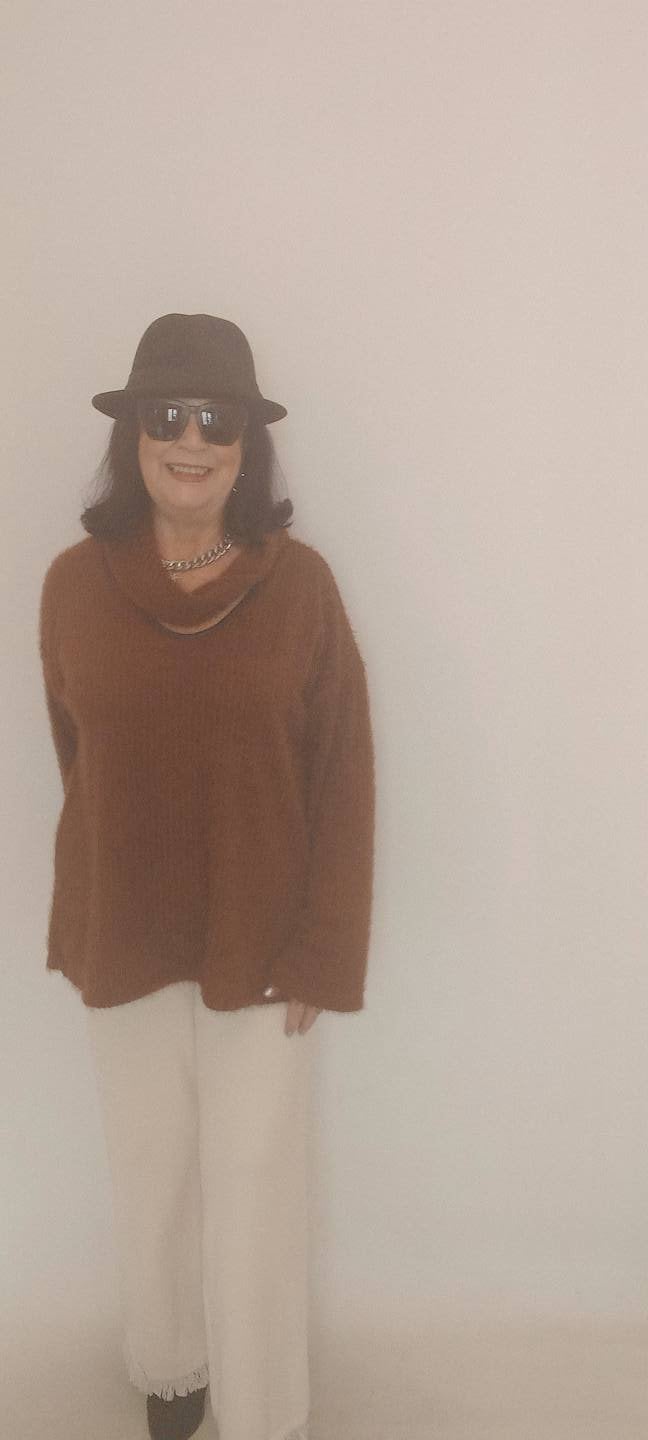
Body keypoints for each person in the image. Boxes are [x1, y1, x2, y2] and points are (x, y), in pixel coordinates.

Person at [38, 313, 376, 1440]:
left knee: (255, 1185)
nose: (190, 440)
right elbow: (77, 754)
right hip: (121, 930)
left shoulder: (303, 588)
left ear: (247, 446)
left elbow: (343, 774)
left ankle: (264, 1410)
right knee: (151, 1171)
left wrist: (324, 951)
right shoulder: (72, 586)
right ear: (134, 435)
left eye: (216, 421)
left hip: (267, 945)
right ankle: (172, 1366)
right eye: (167, 415)